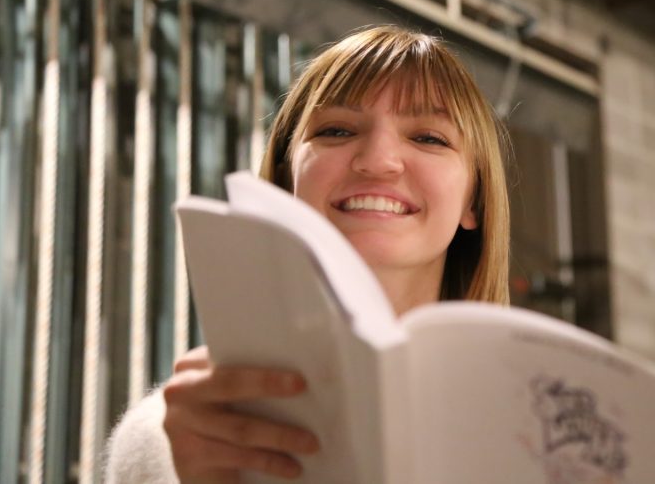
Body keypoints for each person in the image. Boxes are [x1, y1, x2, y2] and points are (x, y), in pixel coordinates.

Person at [104, 26, 511, 483]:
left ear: (474, 200)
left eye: (429, 138)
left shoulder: (535, 432)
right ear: (284, 182)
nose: (378, 160)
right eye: (336, 130)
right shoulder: (170, 437)